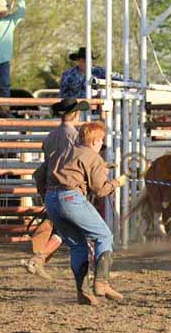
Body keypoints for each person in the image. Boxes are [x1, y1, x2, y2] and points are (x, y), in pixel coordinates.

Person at [41, 121, 128, 305]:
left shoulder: (64, 151)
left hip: (52, 198)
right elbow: (100, 190)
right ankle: (101, 283)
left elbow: (40, 172)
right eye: (101, 140)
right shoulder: (92, 157)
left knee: (77, 245)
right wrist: (117, 183)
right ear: (96, 140)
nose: (101, 144)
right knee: (103, 236)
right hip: (71, 198)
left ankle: (83, 293)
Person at [29, 98, 89, 279]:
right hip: (70, 189)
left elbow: (47, 164)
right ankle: (37, 260)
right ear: (77, 113)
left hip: (51, 189)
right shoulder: (76, 137)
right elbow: (80, 162)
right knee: (89, 230)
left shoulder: (50, 137)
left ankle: (37, 260)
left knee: (64, 230)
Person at [0, 0, 26, 97]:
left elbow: (22, 10)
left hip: (4, 59)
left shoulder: (11, 19)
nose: (1, 13)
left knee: (5, 86)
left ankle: (4, 110)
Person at [59, 47, 124, 99]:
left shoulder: (98, 71)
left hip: (95, 110)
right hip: (75, 109)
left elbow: (116, 76)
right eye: (84, 61)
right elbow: (63, 95)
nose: (87, 63)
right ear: (78, 60)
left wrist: (132, 83)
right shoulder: (67, 75)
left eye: (89, 61)